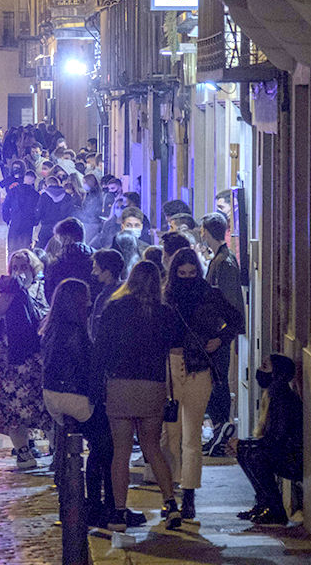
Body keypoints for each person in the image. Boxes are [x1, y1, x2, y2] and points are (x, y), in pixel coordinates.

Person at [91, 260, 181, 531]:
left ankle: (118, 512)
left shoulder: (115, 308)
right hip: (152, 385)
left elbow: (101, 349)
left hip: (120, 384)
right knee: (152, 447)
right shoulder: (164, 312)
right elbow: (174, 347)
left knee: (121, 450)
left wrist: (98, 384)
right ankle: (170, 504)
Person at [161, 247, 241, 520]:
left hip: (199, 367)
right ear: (174, 273)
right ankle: (171, 494)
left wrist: (219, 339)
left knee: (191, 436)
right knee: (171, 436)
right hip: (171, 368)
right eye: (181, 273)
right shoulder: (165, 296)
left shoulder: (209, 294)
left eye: (191, 273)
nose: (187, 278)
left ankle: (189, 495)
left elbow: (237, 320)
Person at [40, 278, 114, 527]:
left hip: (52, 396)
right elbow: (88, 371)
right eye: (86, 298)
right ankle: (100, 506)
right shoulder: (75, 331)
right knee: (106, 445)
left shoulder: (52, 327)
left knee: (99, 439)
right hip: (73, 396)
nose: (90, 302)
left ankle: (94, 504)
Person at [0, 250, 51, 469]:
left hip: (35, 357)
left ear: (34, 268)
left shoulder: (43, 288)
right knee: (13, 406)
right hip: (10, 358)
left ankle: (52, 449)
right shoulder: (6, 287)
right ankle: (23, 452)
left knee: (41, 403)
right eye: (15, 267)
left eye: (24, 266)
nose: (19, 271)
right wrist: (11, 291)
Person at [233, 354, 303, 525]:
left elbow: (277, 439)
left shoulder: (282, 399)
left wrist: (244, 443)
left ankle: (275, 509)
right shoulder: (273, 395)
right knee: (244, 451)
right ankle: (263, 503)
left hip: (292, 459)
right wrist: (243, 444)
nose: (259, 370)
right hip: (282, 452)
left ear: (276, 373)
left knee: (253, 455)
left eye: (265, 367)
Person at [200, 212, 247, 456]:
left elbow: (231, 309)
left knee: (218, 387)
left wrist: (220, 337)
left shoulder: (224, 263)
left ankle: (221, 435)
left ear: (206, 232)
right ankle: (219, 434)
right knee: (214, 386)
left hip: (218, 339)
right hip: (215, 337)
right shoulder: (219, 259)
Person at [43, 217, 94, 303]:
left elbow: (50, 291)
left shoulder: (59, 261)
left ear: (66, 238)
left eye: (59, 239)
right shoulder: (95, 257)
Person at [87, 249, 124, 343]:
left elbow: (96, 328)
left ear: (107, 273)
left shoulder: (104, 296)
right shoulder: (126, 290)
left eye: (95, 269)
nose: (92, 273)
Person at [1, 169, 39, 254]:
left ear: (24, 178)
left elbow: (5, 206)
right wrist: (34, 222)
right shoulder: (35, 194)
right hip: (28, 224)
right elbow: (38, 211)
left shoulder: (13, 191)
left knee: (12, 249)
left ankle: (11, 266)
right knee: (25, 251)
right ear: (33, 181)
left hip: (15, 221)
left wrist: (7, 219)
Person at [34, 176, 74, 250]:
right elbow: (71, 213)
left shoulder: (44, 196)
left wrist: (35, 222)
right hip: (62, 229)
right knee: (60, 250)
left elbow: (39, 212)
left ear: (47, 185)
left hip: (46, 227)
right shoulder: (67, 197)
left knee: (42, 250)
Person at [78, 173, 105, 245]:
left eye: (84, 182)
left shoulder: (92, 194)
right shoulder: (94, 192)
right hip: (92, 221)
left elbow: (89, 209)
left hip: (91, 222)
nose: (83, 184)